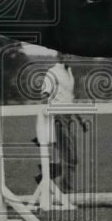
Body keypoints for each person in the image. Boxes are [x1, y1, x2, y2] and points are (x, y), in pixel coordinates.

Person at [34, 53, 88, 193]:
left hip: (68, 117)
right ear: (60, 56)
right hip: (57, 117)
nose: (71, 58)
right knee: (70, 156)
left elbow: (70, 99)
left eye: (72, 55)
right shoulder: (53, 73)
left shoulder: (69, 72)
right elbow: (44, 95)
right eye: (68, 55)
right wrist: (47, 119)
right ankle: (65, 190)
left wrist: (80, 119)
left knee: (70, 155)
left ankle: (51, 182)